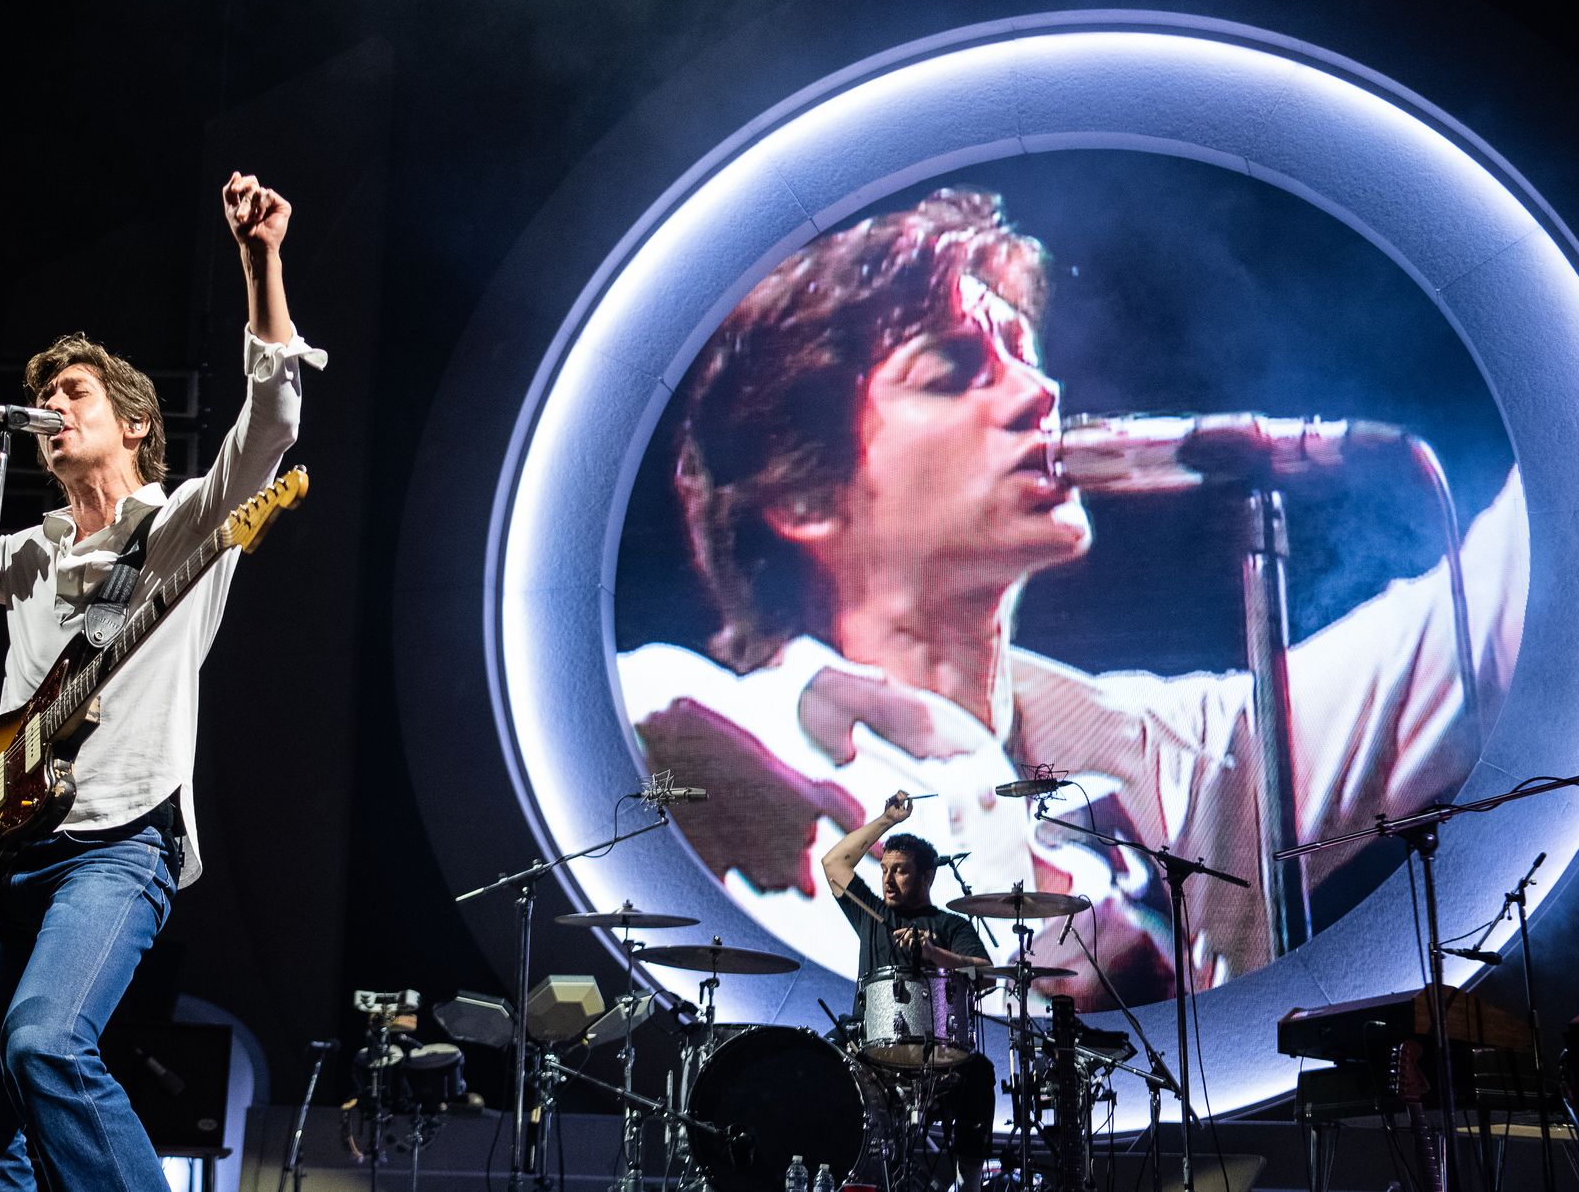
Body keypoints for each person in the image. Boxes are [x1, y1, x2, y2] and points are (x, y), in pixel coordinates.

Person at [619, 186, 1527, 1006]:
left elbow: (1503, 598)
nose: (1040, 392)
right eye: (952, 370)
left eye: (1023, 355)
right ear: (803, 495)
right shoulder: (696, 722)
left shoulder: (1177, 756)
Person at [0, 171, 325, 1191]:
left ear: (135, 424)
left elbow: (270, 423)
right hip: (0, 852)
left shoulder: (182, 524)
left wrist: (259, 261)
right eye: (44, 397)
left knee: (44, 1044)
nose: (51, 408)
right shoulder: (35, 552)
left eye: (73, 394)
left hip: (117, 846)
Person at [821, 789, 994, 1190]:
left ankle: (968, 1183)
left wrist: (935, 953)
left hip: (938, 1052)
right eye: (884, 869)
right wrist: (886, 822)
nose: (887, 879)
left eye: (900, 870)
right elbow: (834, 862)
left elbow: (986, 975)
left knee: (980, 1074)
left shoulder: (952, 926)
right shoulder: (873, 914)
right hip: (868, 1042)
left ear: (926, 876)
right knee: (820, 1064)